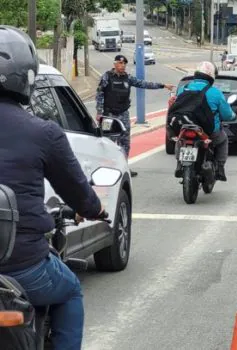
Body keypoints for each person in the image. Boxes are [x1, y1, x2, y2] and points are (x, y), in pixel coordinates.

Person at [0, 25, 106, 349]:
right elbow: (77, 191)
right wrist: (95, 208)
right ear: (26, 77)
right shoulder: (43, 132)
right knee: (71, 290)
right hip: (21, 264)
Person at [95, 55, 174, 177]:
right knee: (107, 143)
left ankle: (124, 167)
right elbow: (99, 94)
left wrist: (162, 85)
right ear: (115, 64)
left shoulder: (128, 78)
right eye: (120, 63)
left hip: (123, 114)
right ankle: (107, 169)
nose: (122, 66)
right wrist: (99, 112)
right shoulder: (107, 77)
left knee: (125, 143)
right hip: (109, 115)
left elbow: (143, 84)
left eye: (124, 64)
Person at [174, 61, 236, 181]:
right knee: (223, 140)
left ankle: (178, 164)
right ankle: (220, 169)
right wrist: (233, 116)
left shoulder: (183, 89)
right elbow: (227, 114)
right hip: (208, 131)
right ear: (212, 77)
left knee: (180, 140)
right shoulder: (215, 92)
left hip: (185, 126)